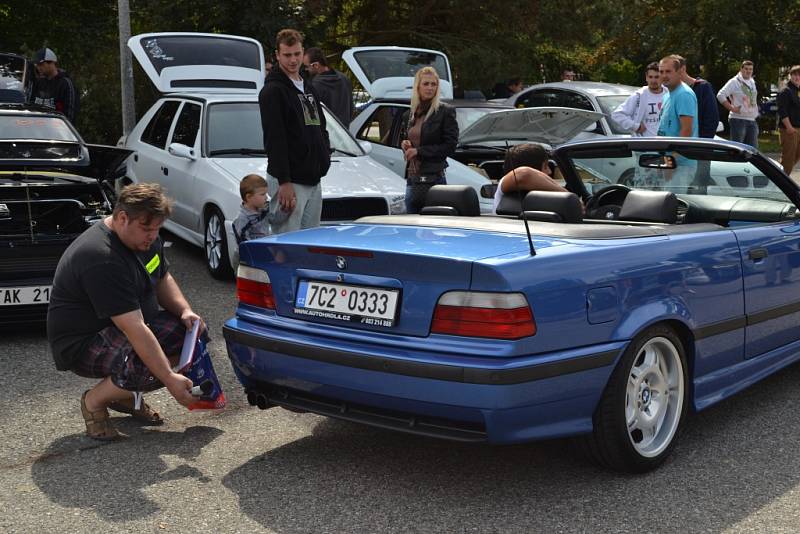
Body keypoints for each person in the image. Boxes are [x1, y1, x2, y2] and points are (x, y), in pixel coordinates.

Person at [47, 183, 201, 440]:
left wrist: (185, 311)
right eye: (146, 228)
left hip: (121, 331)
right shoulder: (101, 257)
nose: (152, 235)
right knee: (143, 365)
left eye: (157, 229)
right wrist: (170, 379)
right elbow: (134, 328)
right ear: (121, 218)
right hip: (83, 343)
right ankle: (95, 401)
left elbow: (161, 277)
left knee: (190, 336)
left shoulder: (147, 239)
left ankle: (125, 393)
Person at [259, 29, 330, 234]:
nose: (293, 60)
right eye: (288, 55)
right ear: (277, 55)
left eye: (297, 54)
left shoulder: (308, 87)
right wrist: (284, 181)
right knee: (286, 246)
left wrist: (323, 158)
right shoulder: (272, 91)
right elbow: (275, 139)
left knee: (311, 244)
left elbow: (321, 127)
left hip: (313, 179)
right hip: (289, 182)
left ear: (303, 53)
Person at [399, 66, 459, 214]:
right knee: (411, 228)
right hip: (413, 178)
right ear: (417, 86)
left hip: (433, 179)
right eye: (426, 84)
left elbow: (450, 146)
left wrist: (418, 151)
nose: (430, 88)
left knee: (432, 228)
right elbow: (409, 139)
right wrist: (405, 144)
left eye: (434, 84)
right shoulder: (410, 113)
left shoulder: (444, 111)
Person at [493, 143, 567, 214]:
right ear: (534, 169)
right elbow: (524, 174)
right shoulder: (504, 183)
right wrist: (569, 196)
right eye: (546, 166)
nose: (549, 171)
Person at [302, 47, 354, 126]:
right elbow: (351, 110)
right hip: (344, 133)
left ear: (316, 65)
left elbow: (310, 120)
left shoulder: (312, 86)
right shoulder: (345, 79)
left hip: (324, 135)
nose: (306, 69)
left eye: (307, 66)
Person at [610, 62, 665, 137]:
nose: (653, 81)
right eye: (650, 77)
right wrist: (635, 126)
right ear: (646, 77)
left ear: (662, 77)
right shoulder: (638, 95)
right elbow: (616, 115)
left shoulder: (669, 94)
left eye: (656, 77)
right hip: (643, 145)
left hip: (666, 143)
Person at [30, 47, 79, 124]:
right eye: (37, 64)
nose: (38, 67)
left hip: (56, 132)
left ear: (51, 63)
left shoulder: (66, 84)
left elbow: (70, 116)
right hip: (37, 130)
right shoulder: (38, 83)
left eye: (41, 64)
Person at [717, 60, 759, 147]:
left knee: (752, 151)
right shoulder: (734, 82)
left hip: (752, 120)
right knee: (738, 150)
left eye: (750, 69)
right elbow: (720, 95)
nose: (748, 71)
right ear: (741, 69)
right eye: (746, 69)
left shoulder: (752, 82)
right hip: (738, 120)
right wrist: (732, 108)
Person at [677, 56, 720, 139]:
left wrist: (704, 142)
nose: (665, 75)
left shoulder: (702, 87)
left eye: (669, 71)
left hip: (698, 144)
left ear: (682, 69)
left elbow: (712, 118)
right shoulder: (670, 91)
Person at [657, 55, 698, 137]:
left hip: (678, 150)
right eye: (661, 72)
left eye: (668, 71)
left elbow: (686, 130)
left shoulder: (684, 94)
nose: (664, 75)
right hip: (665, 148)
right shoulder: (667, 95)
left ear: (679, 72)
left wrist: (676, 150)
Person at [233, 174, 270, 243]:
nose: (266, 197)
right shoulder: (242, 219)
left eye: (266, 194)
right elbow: (243, 242)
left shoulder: (263, 210)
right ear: (249, 197)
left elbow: (276, 219)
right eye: (262, 194)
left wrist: (283, 210)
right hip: (252, 252)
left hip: (265, 248)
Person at [777, 65, 800, 174]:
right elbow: (782, 111)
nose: (797, 77)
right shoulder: (786, 91)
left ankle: (779, 175)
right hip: (789, 130)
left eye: (799, 75)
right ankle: (780, 183)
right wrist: (789, 127)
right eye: (795, 75)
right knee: (788, 159)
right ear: (790, 76)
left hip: (798, 129)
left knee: (795, 156)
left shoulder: (797, 91)